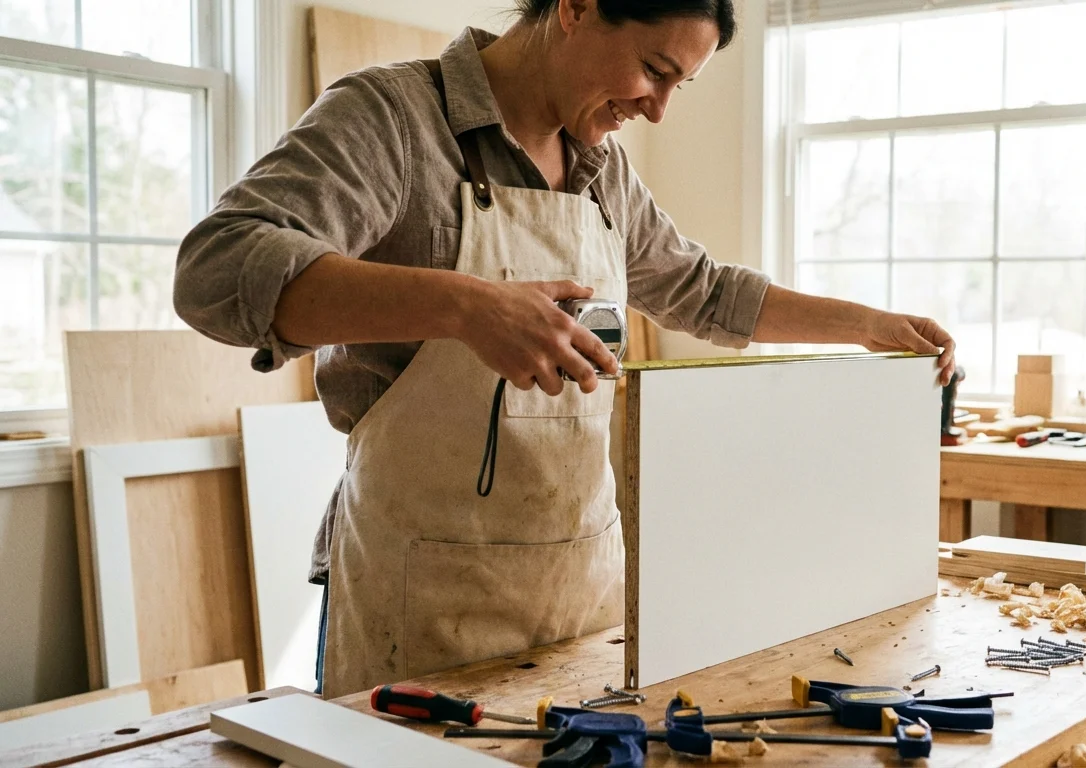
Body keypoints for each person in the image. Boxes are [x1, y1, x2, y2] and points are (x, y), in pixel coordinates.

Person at [174, 0, 956, 699]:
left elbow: (708, 292)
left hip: (580, 594)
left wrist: (869, 325)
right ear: (577, 8)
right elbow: (217, 267)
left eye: (680, 85)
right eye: (655, 70)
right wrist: (463, 306)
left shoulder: (602, 174)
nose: (658, 111)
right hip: (420, 601)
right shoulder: (396, 119)